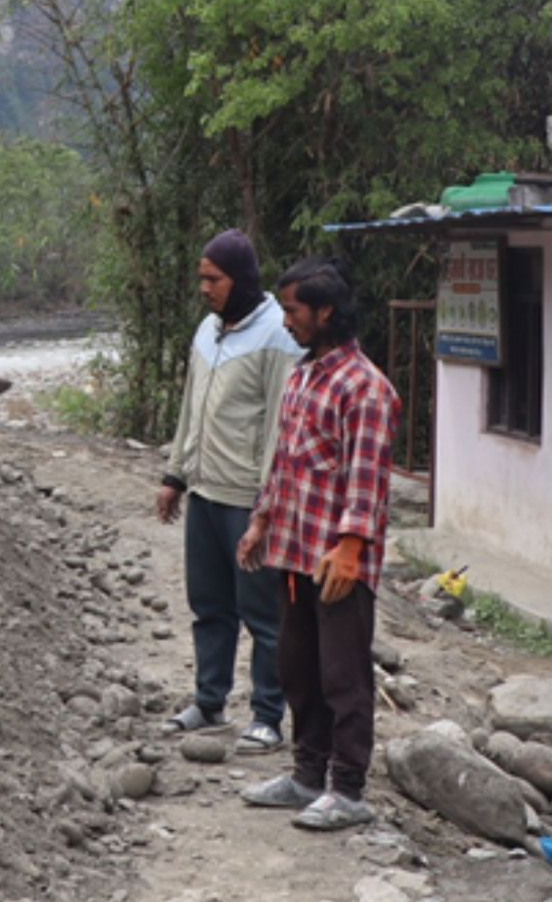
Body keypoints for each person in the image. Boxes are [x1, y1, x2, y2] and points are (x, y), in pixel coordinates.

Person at [236, 256, 397, 833]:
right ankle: (306, 776)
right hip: (295, 553)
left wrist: (351, 548)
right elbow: (284, 463)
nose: (286, 321)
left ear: (326, 311)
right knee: (298, 667)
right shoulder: (304, 376)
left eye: (294, 310)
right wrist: (260, 522)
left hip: (338, 561)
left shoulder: (366, 387)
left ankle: (348, 790)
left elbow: (367, 479)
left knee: (343, 676)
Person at [157, 230, 300, 752]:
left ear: (239, 280)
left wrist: (267, 507)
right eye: (201, 278)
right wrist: (175, 475)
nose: (204, 288)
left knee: (262, 612)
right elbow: (190, 407)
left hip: (247, 499)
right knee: (209, 604)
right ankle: (209, 701)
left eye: (212, 279)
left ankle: (267, 713)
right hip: (205, 494)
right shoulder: (208, 332)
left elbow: (278, 430)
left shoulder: (276, 337)